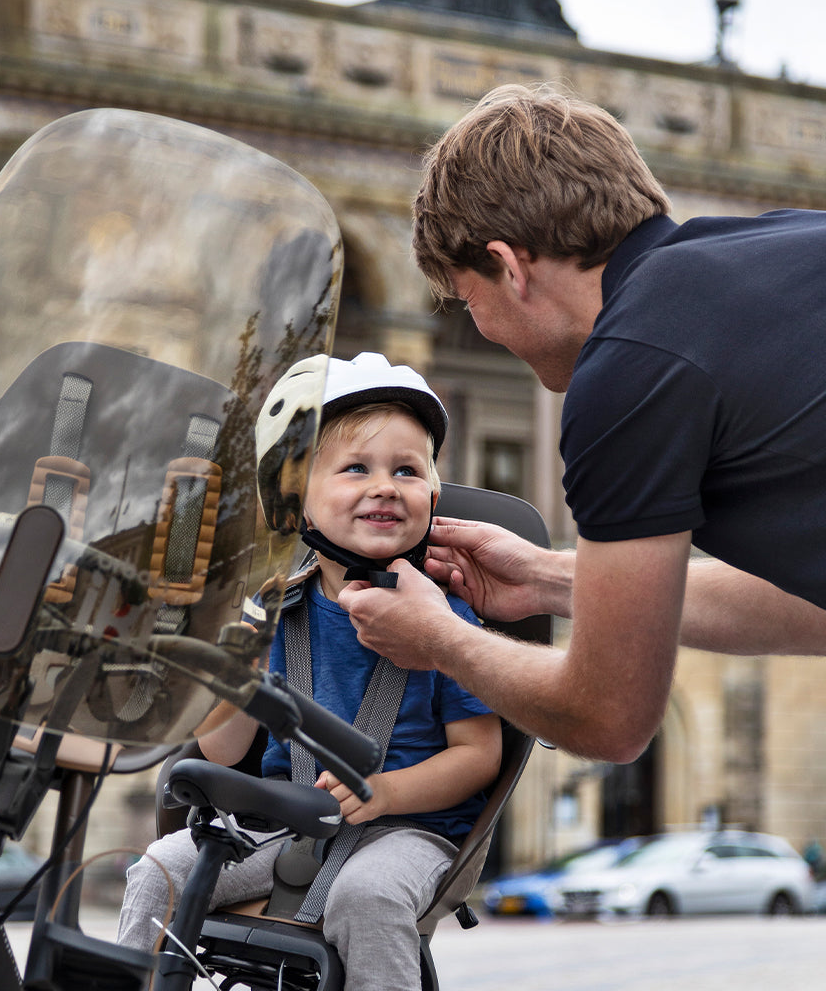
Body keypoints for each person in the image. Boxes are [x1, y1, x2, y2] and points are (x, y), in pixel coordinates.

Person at [337, 82, 826, 766]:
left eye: (467, 301)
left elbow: (608, 717)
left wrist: (440, 639)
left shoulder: (627, 367)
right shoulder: (786, 241)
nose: (480, 328)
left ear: (509, 268)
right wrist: (554, 579)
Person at [117, 352, 502, 991]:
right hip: (281, 822)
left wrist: (388, 793)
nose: (385, 485)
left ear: (432, 495)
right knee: (160, 868)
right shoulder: (273, 612)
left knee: (367, 898)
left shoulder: (448, 622)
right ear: (294, 500)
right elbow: (223, 747)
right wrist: (231, 664)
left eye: (406, 470)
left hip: (410, 829)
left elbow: (479, 755)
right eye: (356, 468)